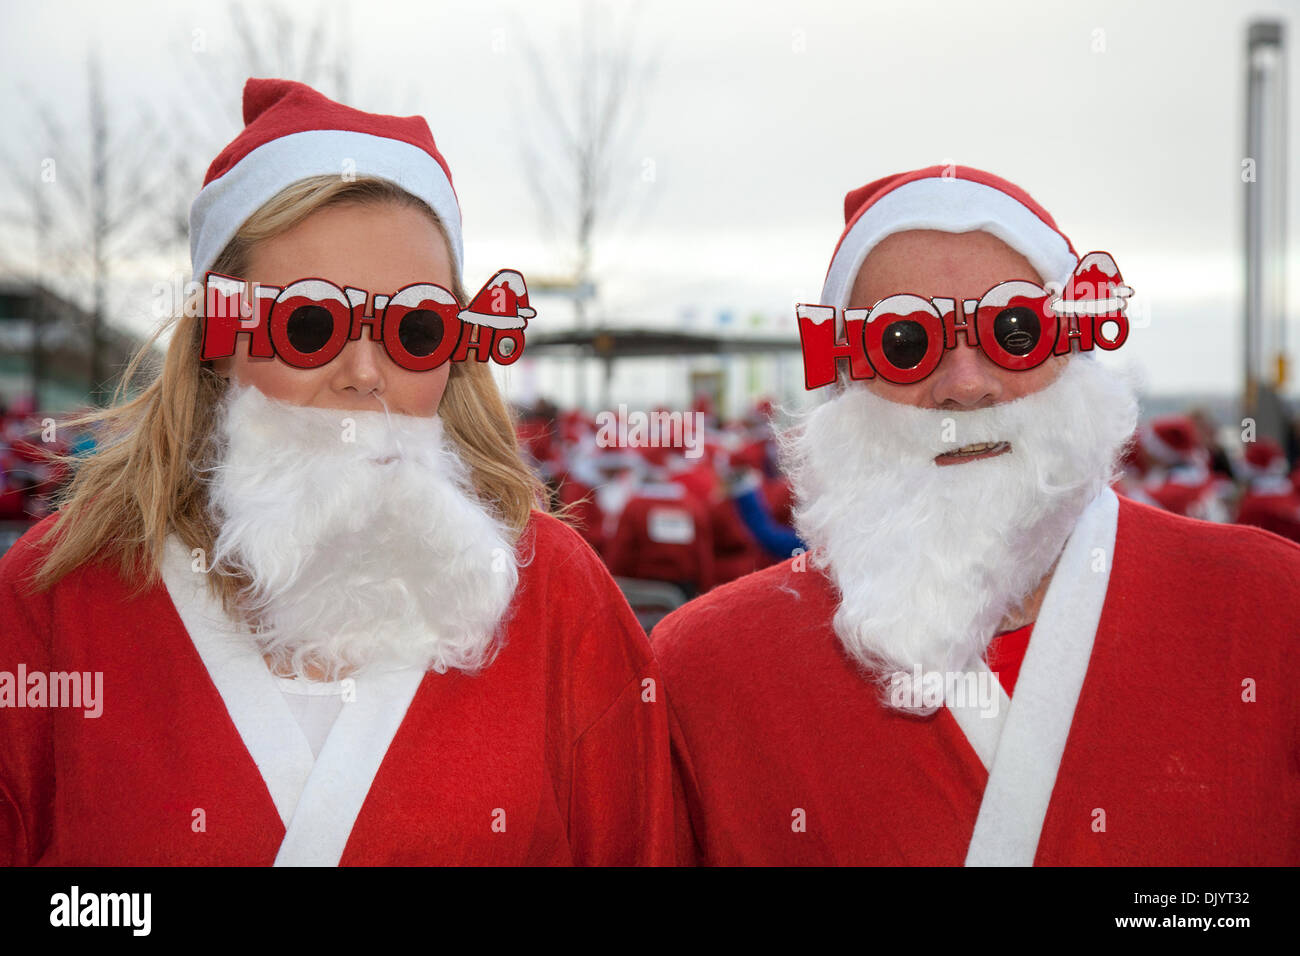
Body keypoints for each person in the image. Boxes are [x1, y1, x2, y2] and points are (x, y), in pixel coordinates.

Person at [0, 78, 672, 866]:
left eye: (416, 329)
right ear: (218, 340)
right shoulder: (57, 594)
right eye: (308, 323)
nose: (364, 372)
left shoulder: (557, 591)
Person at [652, 165, 1300, 866]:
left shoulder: (1270, 606)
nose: (965, 385)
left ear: (1074, 339)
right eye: (907, 344)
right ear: (844, 373)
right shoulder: (705, 669)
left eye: (1013, 329)